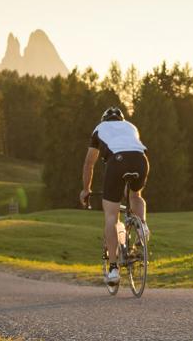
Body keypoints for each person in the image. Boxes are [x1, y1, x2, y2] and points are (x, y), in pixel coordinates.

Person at [80, 107, 150, 285]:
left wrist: (86, 189)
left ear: (104, 119)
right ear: (121, 119)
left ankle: (113, 269)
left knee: (111, 216)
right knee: (135, 195)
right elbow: (132, 147)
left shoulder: (99, 128)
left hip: (117, 161)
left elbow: (89, 164)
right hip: (141, 160)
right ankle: (143, 227)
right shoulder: (131, 126)